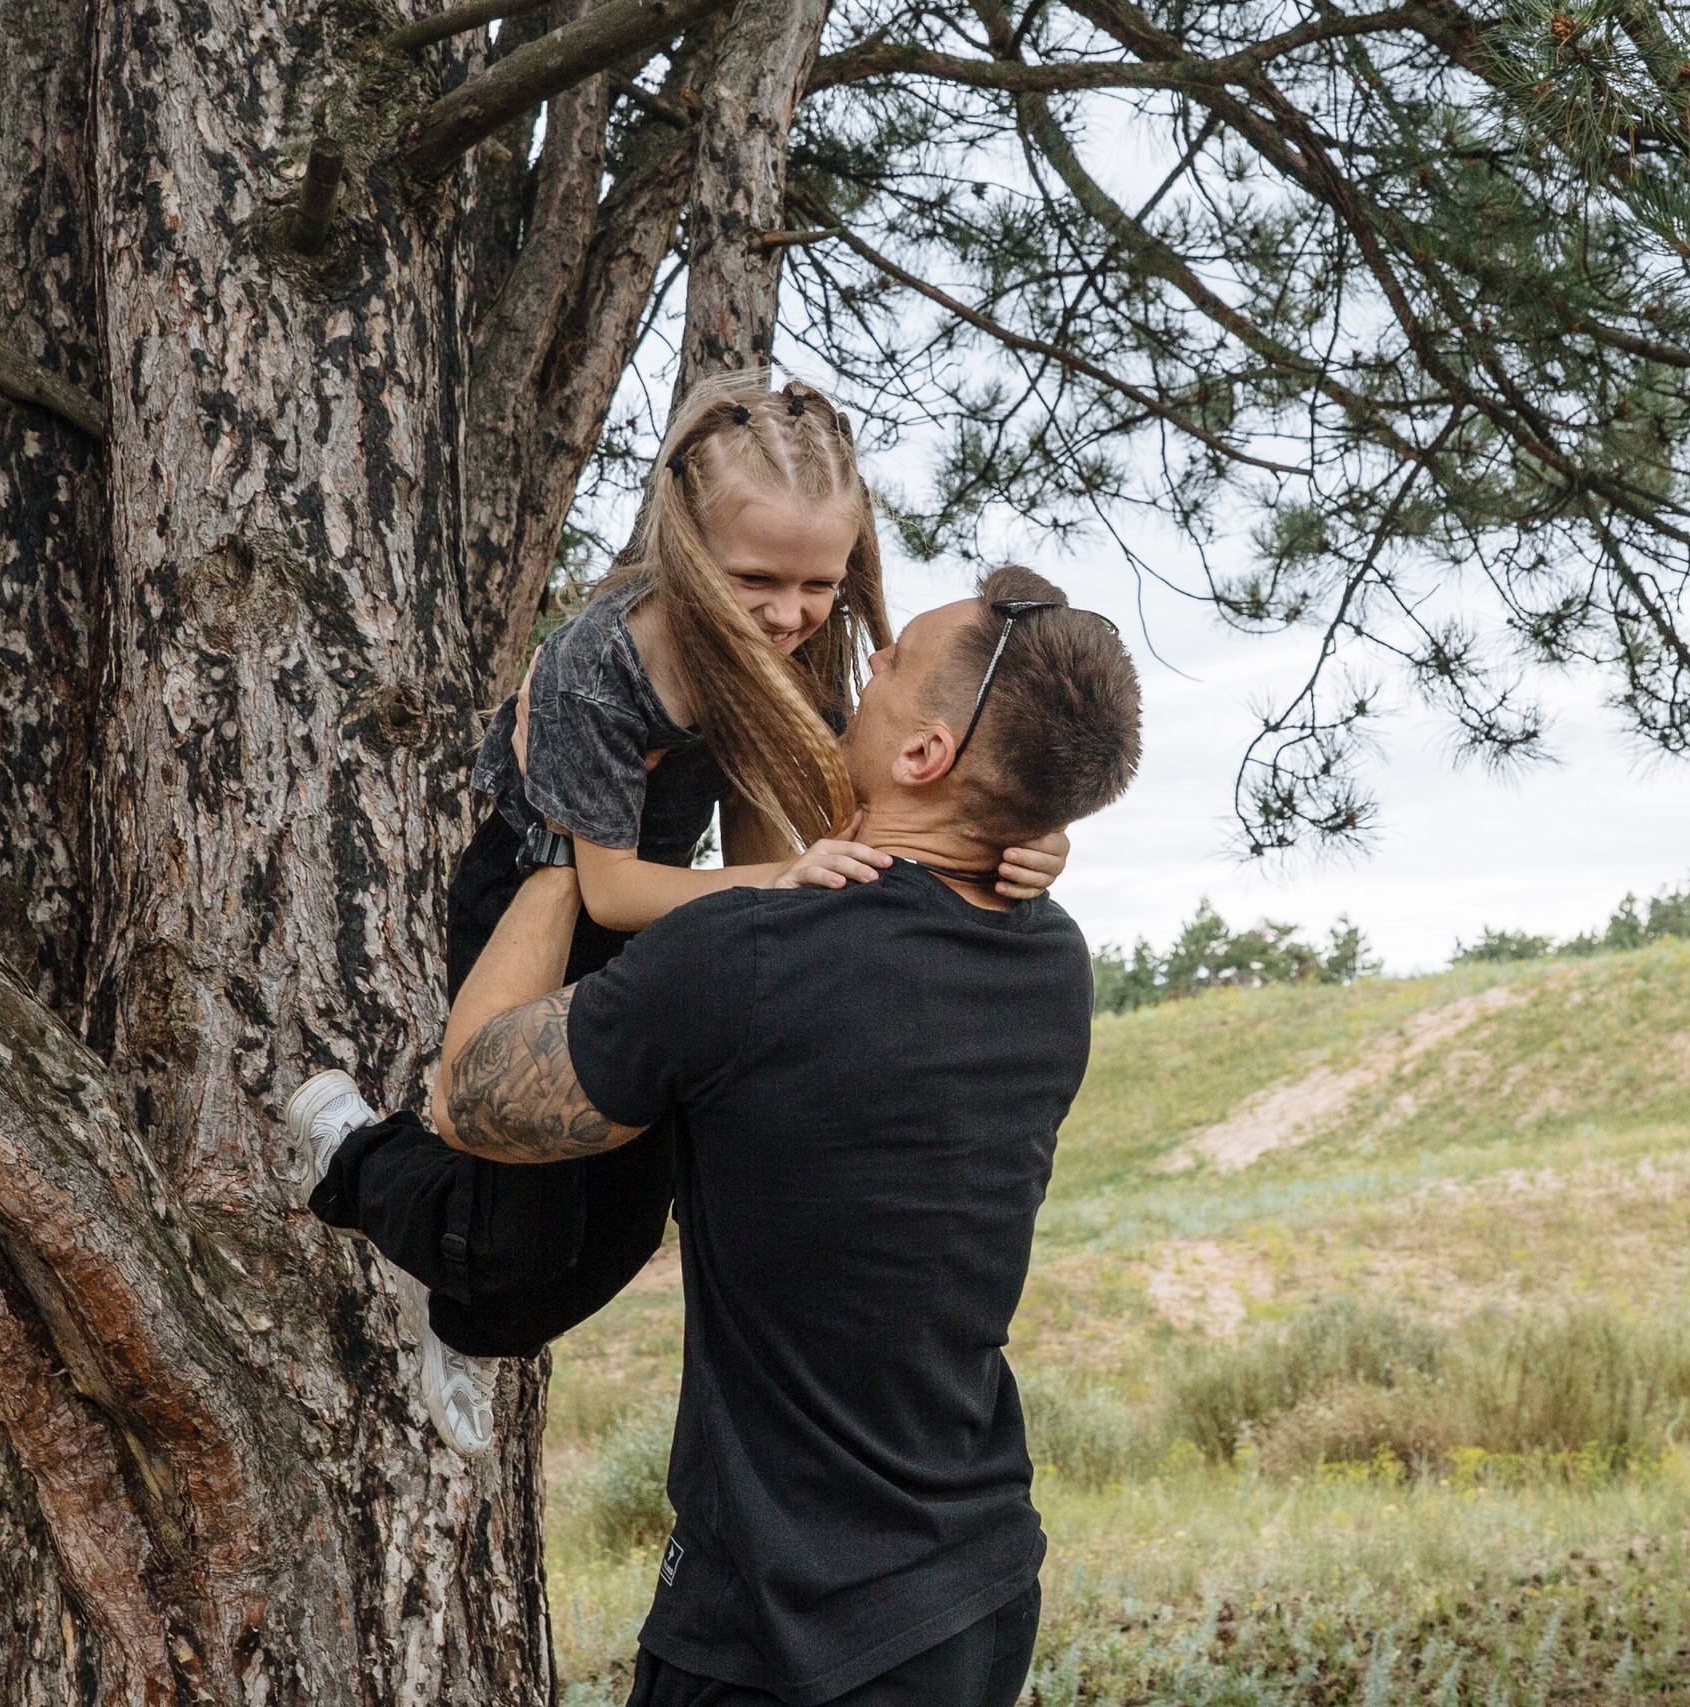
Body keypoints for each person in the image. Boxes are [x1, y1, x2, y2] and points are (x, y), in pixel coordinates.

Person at [287, 374, 1067, 1454]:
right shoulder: (599, 665)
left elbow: (866, 791)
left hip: (681, 909)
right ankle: (352, 1153)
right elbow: (605, 889)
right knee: (516, 1248)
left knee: (615, 1241)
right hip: (543, 903)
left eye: (817, 585)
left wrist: (1026, 840)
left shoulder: (798, 644)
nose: (789, 614)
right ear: (689, 545)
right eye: (757, 578)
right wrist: (776, 886)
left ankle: (461, 1299)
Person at [426, 567, 1143, 1706]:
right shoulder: (1049, 961)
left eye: (892, 661)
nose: (861, 669)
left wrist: (571, 837)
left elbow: (470, 1097)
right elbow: (914, 871)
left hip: (786, 1632)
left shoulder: (749, 960)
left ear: (924, 757)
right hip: (972, 1591)